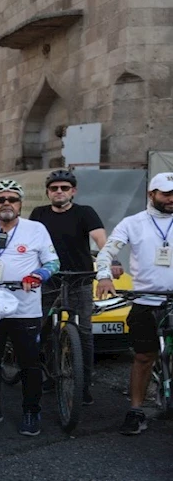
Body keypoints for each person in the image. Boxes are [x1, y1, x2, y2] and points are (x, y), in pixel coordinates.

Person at [0, 179, 59, 436]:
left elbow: (53, 263)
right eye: (0, 199)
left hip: (25, 306)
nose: (6, 203)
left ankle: (31, 411)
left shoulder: (36, 229)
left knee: (29, 362)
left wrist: (37, 275)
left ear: (20, 204)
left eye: (12, 199)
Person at [95, 172, 173, 435]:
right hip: (146, 300)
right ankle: (136, 410)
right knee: (143, 357)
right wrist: (105, 276)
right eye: (166, 194)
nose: (171, 199)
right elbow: (107, 252)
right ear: (152, 194)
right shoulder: (133, 223)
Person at [29, 170, 113, 405]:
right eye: (54, 188)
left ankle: (83, 384)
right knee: (41, 329)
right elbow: (28, 242)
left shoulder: (85, 212)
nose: (59, 192)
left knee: (84, 333)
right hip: (48, 280)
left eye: (64, 188)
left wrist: (110, 262)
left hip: (80, 280)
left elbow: (100, 240)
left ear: (73, 191)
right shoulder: (39, 213)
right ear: (47, 192)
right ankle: (48, 375)